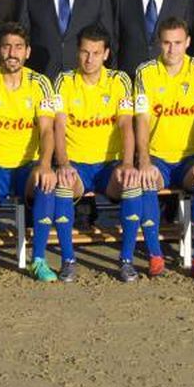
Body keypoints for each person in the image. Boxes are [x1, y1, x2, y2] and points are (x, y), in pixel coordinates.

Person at [0, 24, 58, 283]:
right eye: (6, 46)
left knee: (47, 183)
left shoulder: (40, 83)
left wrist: (45, 165)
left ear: (27, 52)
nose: (12, 52)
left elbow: (48, 131)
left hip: (27, 167)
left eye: (18, 47)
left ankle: (38, 260)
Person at [133, 17, 194, 277]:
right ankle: (155, 256)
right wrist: (145, 161)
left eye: (178, 43)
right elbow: (142, 119)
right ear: (159, 43)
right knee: (145, 181)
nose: (172, 49)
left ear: (188, 43)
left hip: (189, 159)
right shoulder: (145, 71)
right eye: (167, 43)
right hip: (158, 158)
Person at [51, 27, 141, 280]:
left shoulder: (119, 80)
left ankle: (126, 260)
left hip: (108, 167)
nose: (89, 59)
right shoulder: (64, 80)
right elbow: (58, 125)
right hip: (76, 165)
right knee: (62, 186)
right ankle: (68, 259)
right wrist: (64, 163)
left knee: (132, 185)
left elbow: (126, 125)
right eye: (84, 52)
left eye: (95, 53)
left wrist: (126, 163)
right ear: (77, 52)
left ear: (106, 54)